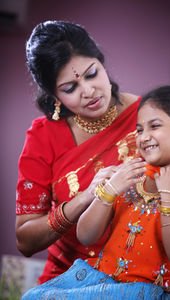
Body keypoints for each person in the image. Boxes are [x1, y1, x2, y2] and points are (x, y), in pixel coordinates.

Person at [21, 85, 170, 300]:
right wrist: (108, 192)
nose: (143, 137)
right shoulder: (130, 179)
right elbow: (86, 236)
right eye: (140, 129)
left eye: (155, 126)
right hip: (101, 283)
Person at [15, 20, 143, 284]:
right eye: (70, 89)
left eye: (92, 73)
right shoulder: (43, 138)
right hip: (71, 278)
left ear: (101, 62)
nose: (89, 91)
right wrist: (85, 199)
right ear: (54, 97)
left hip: (144, 276)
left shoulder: (150, 115)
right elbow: (25, 240)